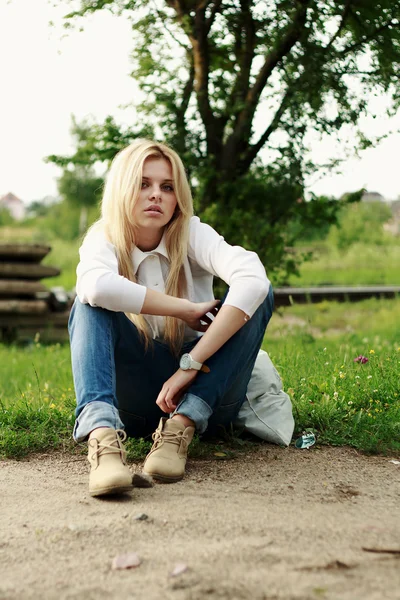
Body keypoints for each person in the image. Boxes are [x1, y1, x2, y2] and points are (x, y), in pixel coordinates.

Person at [68, 138, 274, 497]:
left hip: (205, 395)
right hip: (137, 403)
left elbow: (254, 279)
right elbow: (97, 287)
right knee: (87, 303)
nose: (156, 195)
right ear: (122, 189)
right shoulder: (104, 237)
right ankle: (102, 441)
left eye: (167, 187)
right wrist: (184, 308)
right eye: (143, 184)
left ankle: (180, 428)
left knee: (259, 295)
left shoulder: (192, 233)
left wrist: (191, 364)